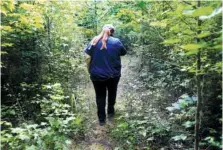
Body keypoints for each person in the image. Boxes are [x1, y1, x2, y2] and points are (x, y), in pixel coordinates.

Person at [84, 24, 127, 126]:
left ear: (102, 30)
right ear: (113, 32)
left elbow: (87, 57)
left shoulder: (94, 41)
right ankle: (111, 113)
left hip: (96, 75)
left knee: (100, 96)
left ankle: (102, 120)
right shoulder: (116, 42)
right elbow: (123, 53)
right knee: (112, 93)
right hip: (113, 75)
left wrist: (89, 69)